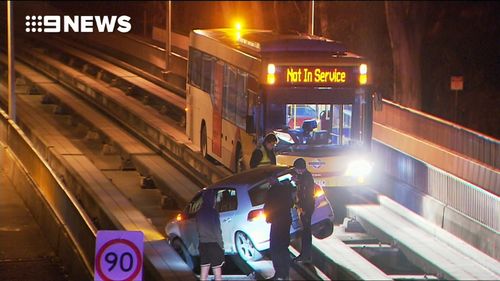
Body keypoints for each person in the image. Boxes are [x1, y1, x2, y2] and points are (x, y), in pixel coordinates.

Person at [264, 172, 294, 280]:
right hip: (286, 220)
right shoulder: (285, 189)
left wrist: (268, 218)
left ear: (272, 179)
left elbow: (268, 207)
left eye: (268, 179)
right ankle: (285, 273)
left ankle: (279, 273)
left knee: (275, 248)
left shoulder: (272, 191)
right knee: (284, 247)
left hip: (277, 222)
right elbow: (291, 203)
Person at [196, 191, 224, 281]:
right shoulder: (213, 212)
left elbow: (198, 229)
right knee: (217, 274)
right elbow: (217, 231)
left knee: (203, 273)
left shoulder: (199, 213)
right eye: (215, 198)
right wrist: (222, 246)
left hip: (203, 245)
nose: (215, 200)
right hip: (214, 245)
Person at [292, 158, 315, 263]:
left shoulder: (306, 178)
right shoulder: (305, 177)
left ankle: (306, 255)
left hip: (306, 207)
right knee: (305, 232)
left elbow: (306, 195)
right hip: (305, 207)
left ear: (300, 169)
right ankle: (305, 255)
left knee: (306, 232)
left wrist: (304, 209)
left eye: (296, 169)